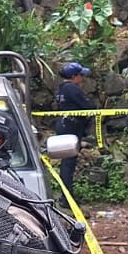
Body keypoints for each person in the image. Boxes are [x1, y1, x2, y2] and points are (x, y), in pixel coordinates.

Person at [54, 62, 97, 196]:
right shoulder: (72, 88)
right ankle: (67, 196)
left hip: (64, 123)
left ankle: (66, 194)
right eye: (80, 75)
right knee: (69, 161)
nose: (82, 78)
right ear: (74, 76)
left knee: (66, 161)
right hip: (71, 126)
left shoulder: (61, 88)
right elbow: (87, 105)